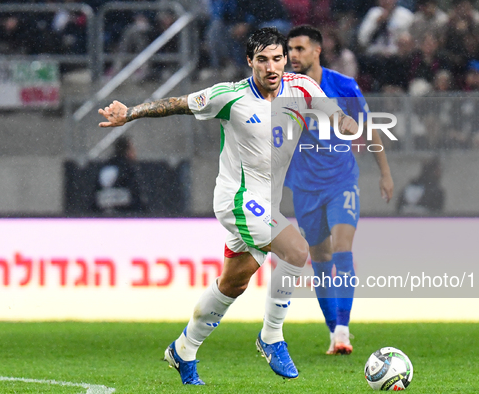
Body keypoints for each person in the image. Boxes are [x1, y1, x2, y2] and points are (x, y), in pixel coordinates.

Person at [98, 27, 358, 385]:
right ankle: (271, 336)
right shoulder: (230, 96)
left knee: (232, 284)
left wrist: (343, 121)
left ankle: (183, 349)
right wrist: (130, 113)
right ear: (250, 61)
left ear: (286, 59)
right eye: (263, 59)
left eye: (278, 58)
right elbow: (177, 104)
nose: (271, 67)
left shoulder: (302, 88)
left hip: (267, 204)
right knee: (297, 252)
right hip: (236, 199)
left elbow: (331, 111)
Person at [286, 25, 394, 355]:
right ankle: (334, 331)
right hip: (304, 186)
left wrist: (385, 173)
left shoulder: (343, 86)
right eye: (290, 49)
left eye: (300, 49)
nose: (293, 56)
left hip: (340, 181)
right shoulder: (284, 91)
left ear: (317, 51)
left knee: (343, 247)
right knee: (319, 258)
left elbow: (369, 127)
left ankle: (344, 330)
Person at [92, 135, 146, 213]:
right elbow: (136, 198)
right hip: (126, 218)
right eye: (133, 149)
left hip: (102, 218)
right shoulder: (129, 170)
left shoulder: (105, 168)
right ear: (127, 151)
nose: (135, 153)